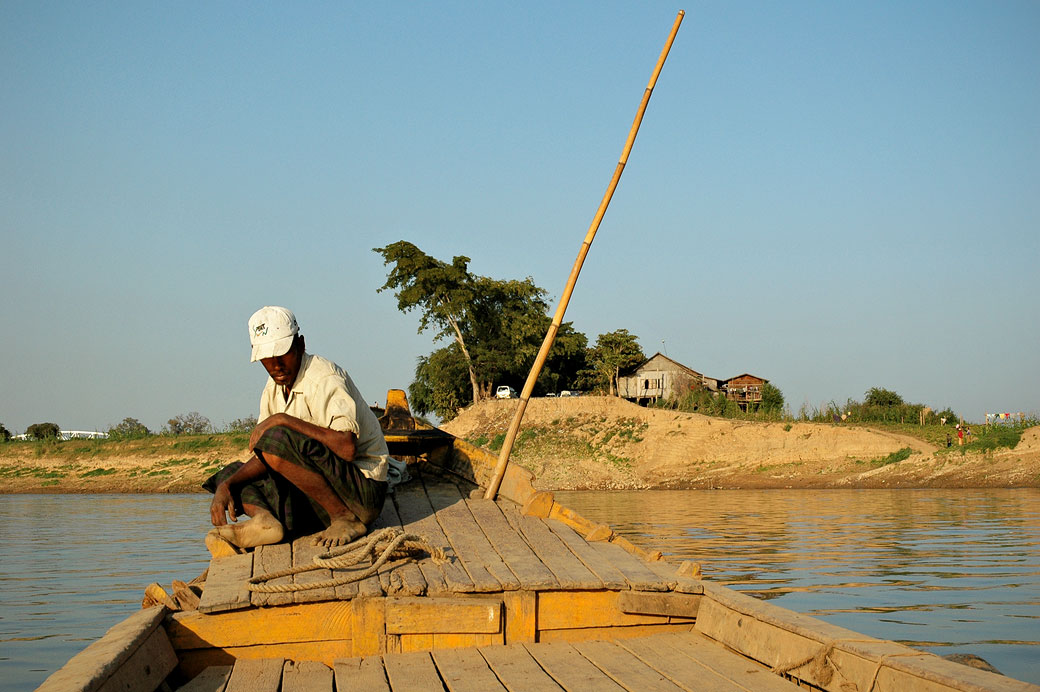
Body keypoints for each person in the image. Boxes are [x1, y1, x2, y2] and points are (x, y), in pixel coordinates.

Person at [205, 306, 406, 551]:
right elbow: (267, 455)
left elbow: (347, 448)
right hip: (315, 498)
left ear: (300, 344)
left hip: (360, 494)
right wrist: (226, 487)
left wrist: (284, 419)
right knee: (231, 475)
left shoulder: (324, 377)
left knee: (277, 436)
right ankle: (265, 521)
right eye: (267, 358)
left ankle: (345, 518)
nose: (276, 365)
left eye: (282, 354)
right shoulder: (273, 388)